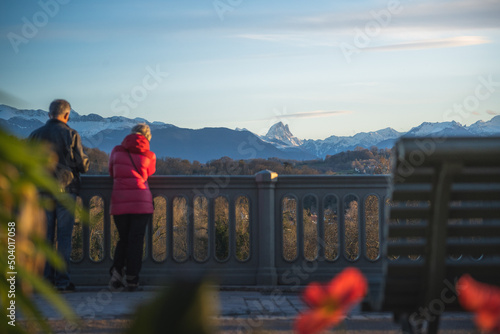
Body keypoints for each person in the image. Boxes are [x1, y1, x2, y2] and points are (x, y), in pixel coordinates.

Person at [29, 99, 90, 291]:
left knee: (45, 238)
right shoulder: (71, 134)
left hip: (42, 192)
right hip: (66, 191)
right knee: (64, 238)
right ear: (67, 115)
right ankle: (62, 282)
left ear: (49, 114)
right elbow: (83, 165)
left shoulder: (35, 135)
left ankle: (45, 280)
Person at [109, 123, 156, 291]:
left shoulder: (116, 151)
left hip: (119, 200)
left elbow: (112, 172)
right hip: (141, 201)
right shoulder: (150, 155)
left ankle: (116, 273)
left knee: (123, 239)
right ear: (147, 137)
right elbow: (149, 173)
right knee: (136, 241)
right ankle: (132, 279)